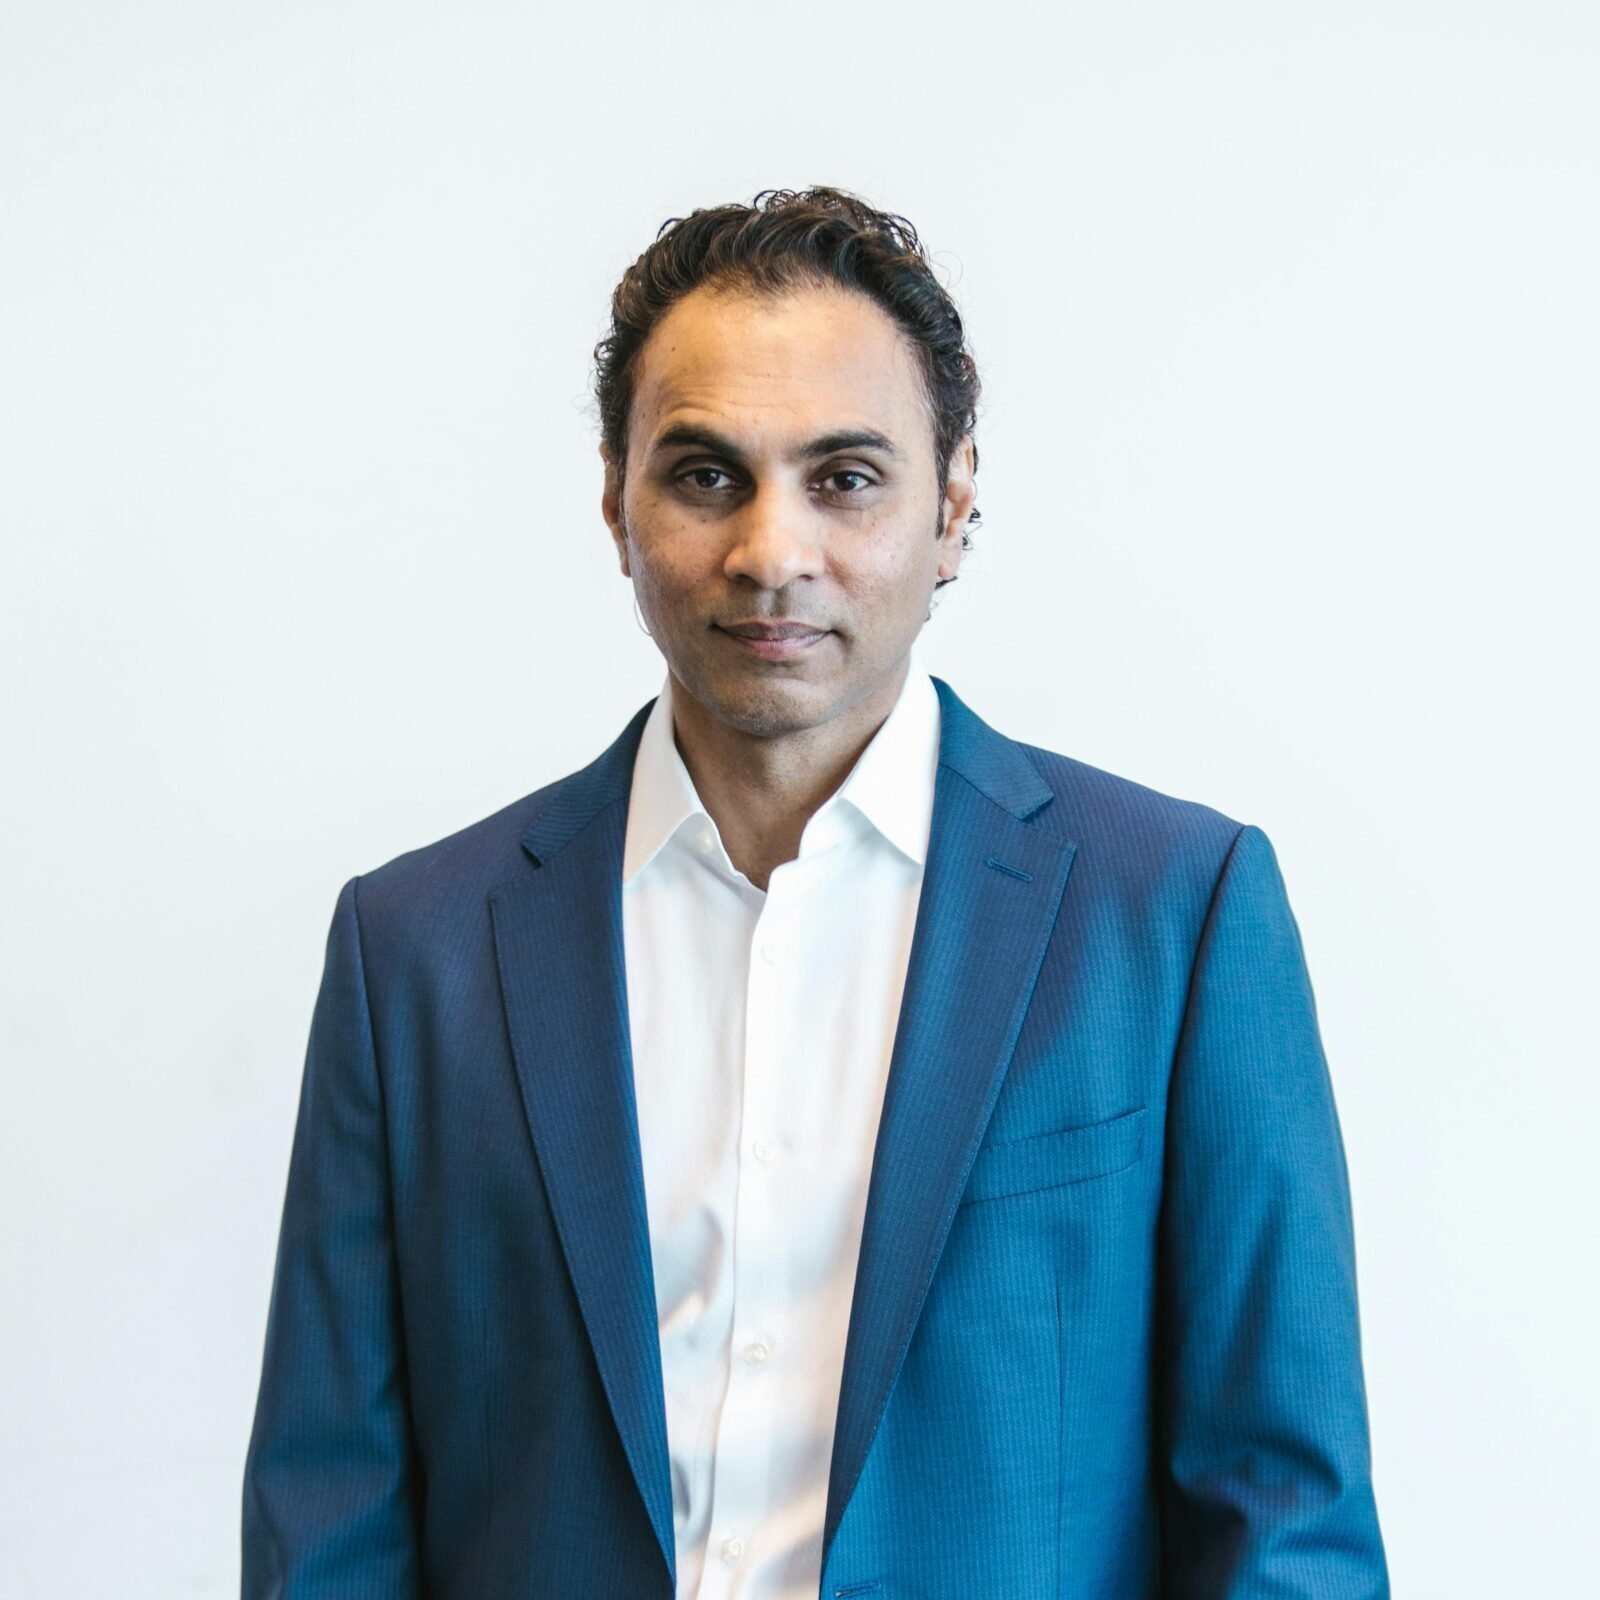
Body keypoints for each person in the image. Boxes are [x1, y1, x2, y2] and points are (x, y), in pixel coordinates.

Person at [241, 186, 1390, 1599]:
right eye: (705, 474)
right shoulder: (414, 951)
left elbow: (1285, 1519)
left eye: (844, 478)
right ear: (616, 503)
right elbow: (329, 1522)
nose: (771, 552)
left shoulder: (1177, 915)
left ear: (953, 506)